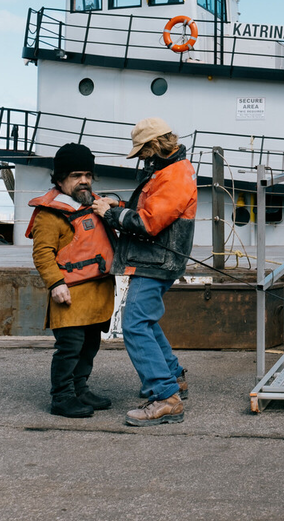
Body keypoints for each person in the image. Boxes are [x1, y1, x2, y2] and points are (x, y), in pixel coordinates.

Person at [93, 117, 195, 427]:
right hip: (158, 259)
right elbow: (151, 211)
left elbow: (148, 224)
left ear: (153, 147)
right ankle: (173, 378)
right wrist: (120, 203)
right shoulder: (170, 171)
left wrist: (110, 212)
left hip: (155, 261)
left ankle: (165, 397)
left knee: (135, 324)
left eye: (142, 152)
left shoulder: (173, 175)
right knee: (145, 321)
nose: (141, 158)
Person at [27, 142, 116, 418]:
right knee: (69, 348)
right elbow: (42, 254)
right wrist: (56, 284)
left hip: (97, 293)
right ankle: (62, 397)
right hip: (70, 295)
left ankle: (80, 389)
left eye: (87, 175)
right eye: (77, 176)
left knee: (90, 345)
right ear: (60, 179)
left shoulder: (96, 206)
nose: (84, 181)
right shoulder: (49, 215)